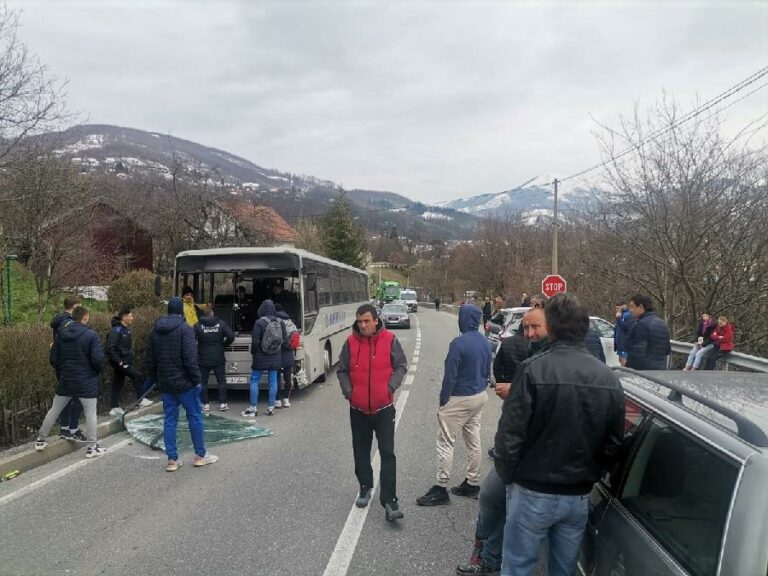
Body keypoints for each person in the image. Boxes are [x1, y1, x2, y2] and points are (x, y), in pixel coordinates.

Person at [494, 294, 625, 576]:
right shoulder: (608, 378)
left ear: (551, 327)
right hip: (577, 494)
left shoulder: (532, 369)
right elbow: (614, 442)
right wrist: (590, 476)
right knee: (564, 570)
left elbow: (509, 434)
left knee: (517, 567)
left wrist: (510, 477)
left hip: (531, 489)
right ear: (585, 328)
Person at [457, 307, 548, 575]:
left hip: (536, 455)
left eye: (535, 327)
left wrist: (515, 389)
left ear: (552, 327)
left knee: (510, 508)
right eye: (526, 327)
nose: (529, 333)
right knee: (490, 497)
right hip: (512, 448)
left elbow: (552, 400)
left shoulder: (554, 360)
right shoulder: (530, 353)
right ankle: (483, 549)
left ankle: (490, 556)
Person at [417, 304, 493, 506]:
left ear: (463, 319)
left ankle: (441, 487)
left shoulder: (458, 343)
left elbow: (450, 376)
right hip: (479, 395)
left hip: (459, 397)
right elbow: (487, 371)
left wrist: (444, 400)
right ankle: (472, 483)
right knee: (473, 439)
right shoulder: (485, 342)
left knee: (445, 441)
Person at [337, 304, 407, 521]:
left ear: (376, 320)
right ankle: (365, 487)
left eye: (367, 321)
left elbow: (401, 365)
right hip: (358, 409)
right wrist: (349, 392)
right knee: (360, 451)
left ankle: (390, 500)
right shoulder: (350, 342)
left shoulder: (390, 340)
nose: (363, 325)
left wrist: (390, 387)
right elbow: (342, 370)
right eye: (360, 322)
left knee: (387, 453)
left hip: (383, 408)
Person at [146, 297, 218, 472]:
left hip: (166, 383)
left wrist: (156, 379)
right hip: (185, 383)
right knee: (194, 417)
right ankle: (200, 455)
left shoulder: (155, 331)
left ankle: (172, 459)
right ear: (182, 311)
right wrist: (197, 381)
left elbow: (151, 359)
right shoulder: (185, 329)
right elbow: (190, 359)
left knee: (170, 420)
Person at [35, 306, 107, 458]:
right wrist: (94, 372)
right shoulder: (91, 335)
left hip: (66, 379)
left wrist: (63, 371)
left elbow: (54, 358)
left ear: (73, 317)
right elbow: (98, 360)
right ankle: (92, 448)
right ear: (85, 318)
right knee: (90, 414)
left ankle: (40, 440)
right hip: (86, 381)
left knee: (54, 410)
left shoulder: (60, 335)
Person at [242, 299, 288, 417]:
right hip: (275, 357)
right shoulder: (280, 322)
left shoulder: (259, 322)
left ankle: (253, 407)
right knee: (273, 382)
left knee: (254, 381)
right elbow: (284, 341)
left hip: (260, 357)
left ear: (262, 309)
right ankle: (271, 407)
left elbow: (255, 341)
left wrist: (254, 352)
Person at [49, 295, 84, 441]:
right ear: (75, 307)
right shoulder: (68, 322)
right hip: (70, 365)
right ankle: (72, 429)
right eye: (79, 307)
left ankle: (64, 428)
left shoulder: (59, 320)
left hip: (61, 364)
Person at [107, 306, 152, 416]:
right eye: (130, 316)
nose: (132, 318)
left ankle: (114, 407)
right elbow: (110, 348)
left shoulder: (125, 329)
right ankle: (141, 400)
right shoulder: (116, 330)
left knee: (117, 383)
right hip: (121, 362)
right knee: (137, 375)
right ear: (124, 317)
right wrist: (119, 361)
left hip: (125, 361)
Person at [194, 305, 235, 413]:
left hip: (203, 358)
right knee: (221, 381)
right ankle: (223, 404)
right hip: (218, 357)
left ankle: (205, 404)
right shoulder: (221, 323)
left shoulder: (197, 326)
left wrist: (197, 348)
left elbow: (191, 340)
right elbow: (231, 336)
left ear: (202, 315)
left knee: (203, 382)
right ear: (212, 314)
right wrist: (223, 345)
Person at [625, 294, 671, 370]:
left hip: (644, 372)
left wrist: (628, 369)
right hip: (661, 370)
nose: (630, 310)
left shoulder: (642, 324)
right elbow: (667, 350)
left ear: (641, 307)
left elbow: (637, 353)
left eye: (632, 306)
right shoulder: (662, 323)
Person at [274, 304, 300, 408]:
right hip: (288, 355)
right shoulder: (290, 323)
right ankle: (286, 399)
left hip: (276, 355)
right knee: (288, 378)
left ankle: (277, 400)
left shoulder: (274, 323)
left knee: (276, 379)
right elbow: (295, 339)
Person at [613, 301, 633, 367]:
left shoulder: (628, 315)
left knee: (624, 360)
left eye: (618, 308)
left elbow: (626, 327)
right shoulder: (621, 315)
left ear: (624, 307)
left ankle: (627, 373)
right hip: (620, 344)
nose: (617, 310)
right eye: (616, 308)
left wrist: (618, 319)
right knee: (621, 359)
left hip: (624, 344)